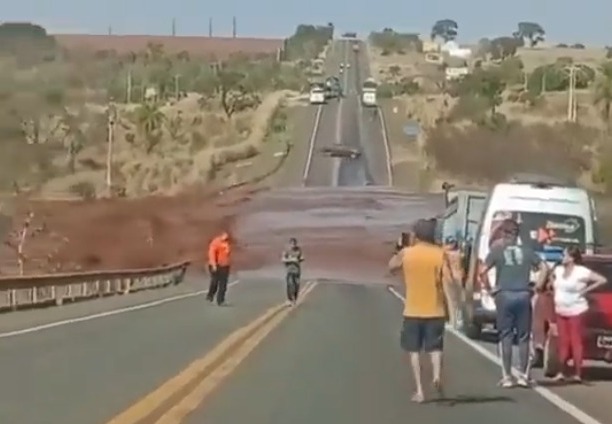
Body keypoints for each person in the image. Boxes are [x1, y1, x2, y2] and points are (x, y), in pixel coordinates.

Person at [388, 218, 454, 403]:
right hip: (435, 309)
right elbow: (448, 281)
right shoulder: (440, 254)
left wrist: (400, 249)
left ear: (416, 235)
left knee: (414, 351)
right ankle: (437, 376)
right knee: (435, 348)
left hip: (413, 310)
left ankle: (420, 390)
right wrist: (451, 308)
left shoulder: (407, 253)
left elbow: (391, 266)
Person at [479, 218, 548, 388]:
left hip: (505, 294)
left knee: (505, 336)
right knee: (524, 337)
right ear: (517, 234)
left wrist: (490, 289)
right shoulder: (527, 251)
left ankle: (507, 376)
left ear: (504, 233)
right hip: (523, 294)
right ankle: (524, 375)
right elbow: (544, 267)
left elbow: (482, 271)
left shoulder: (497, 251)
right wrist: (537, 287)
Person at [550, 246, 607, 383]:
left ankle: (578, 373)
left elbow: (602, 280)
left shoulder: (581, 272)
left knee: (576, 341)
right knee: (563, 342)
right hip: (561, 309)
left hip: (576, 309)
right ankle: (561, 372)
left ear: (572, 258)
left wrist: (586, 290)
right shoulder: (558, 270)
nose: (562, 258)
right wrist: (553, 288)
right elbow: (551, 277)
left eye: (565, 255)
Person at [207, 231, 232, 306]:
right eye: (225, 235)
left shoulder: (227, 243)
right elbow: (212, 254)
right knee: (215, 282)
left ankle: (220, 300)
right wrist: (214, 264)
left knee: (223, 284)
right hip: (216, 265)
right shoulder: (215, 243)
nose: (226, 237)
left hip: (225, 265)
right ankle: (210, 295)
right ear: (221, 235)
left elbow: (227, 254)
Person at [443, 236, 464, 329]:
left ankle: (453, 321)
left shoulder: (446, 254)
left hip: (449, 277)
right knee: (459, 300)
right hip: (459, 276)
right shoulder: (460, 253)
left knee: (451, 301)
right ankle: (460, 319)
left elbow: (445, 267)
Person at [281, 238, 304, 305]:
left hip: (296, 270)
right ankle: (289, 299)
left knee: (296, 285)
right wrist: (291, 260)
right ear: (290, 244)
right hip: (289, 270)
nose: (293, 245)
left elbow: (302, 257)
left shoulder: (299, 250)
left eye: (294, 244)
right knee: (290, 284)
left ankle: (295, 298)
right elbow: (283, 259)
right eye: (292, 244)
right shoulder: (286, 251)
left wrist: (300, 259)